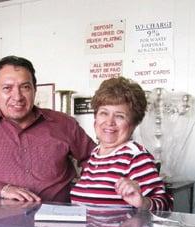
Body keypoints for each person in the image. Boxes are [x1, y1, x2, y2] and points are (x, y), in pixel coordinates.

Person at [0, 56, 95, 202]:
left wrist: (87, 190)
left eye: (25, 87)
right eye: (7, 88)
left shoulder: (63, 124)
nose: (17, 97)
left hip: (54, 221)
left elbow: (95, 158)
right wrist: (2, 189)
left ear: (34, 90)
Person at [70, 77, 173, 211]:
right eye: (103, 113)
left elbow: (165, 205)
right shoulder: (96, 155)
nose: (109, 122)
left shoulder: (136, 156)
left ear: (133, 124)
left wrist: (142, 202)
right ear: (95, 119)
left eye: (119, 116)